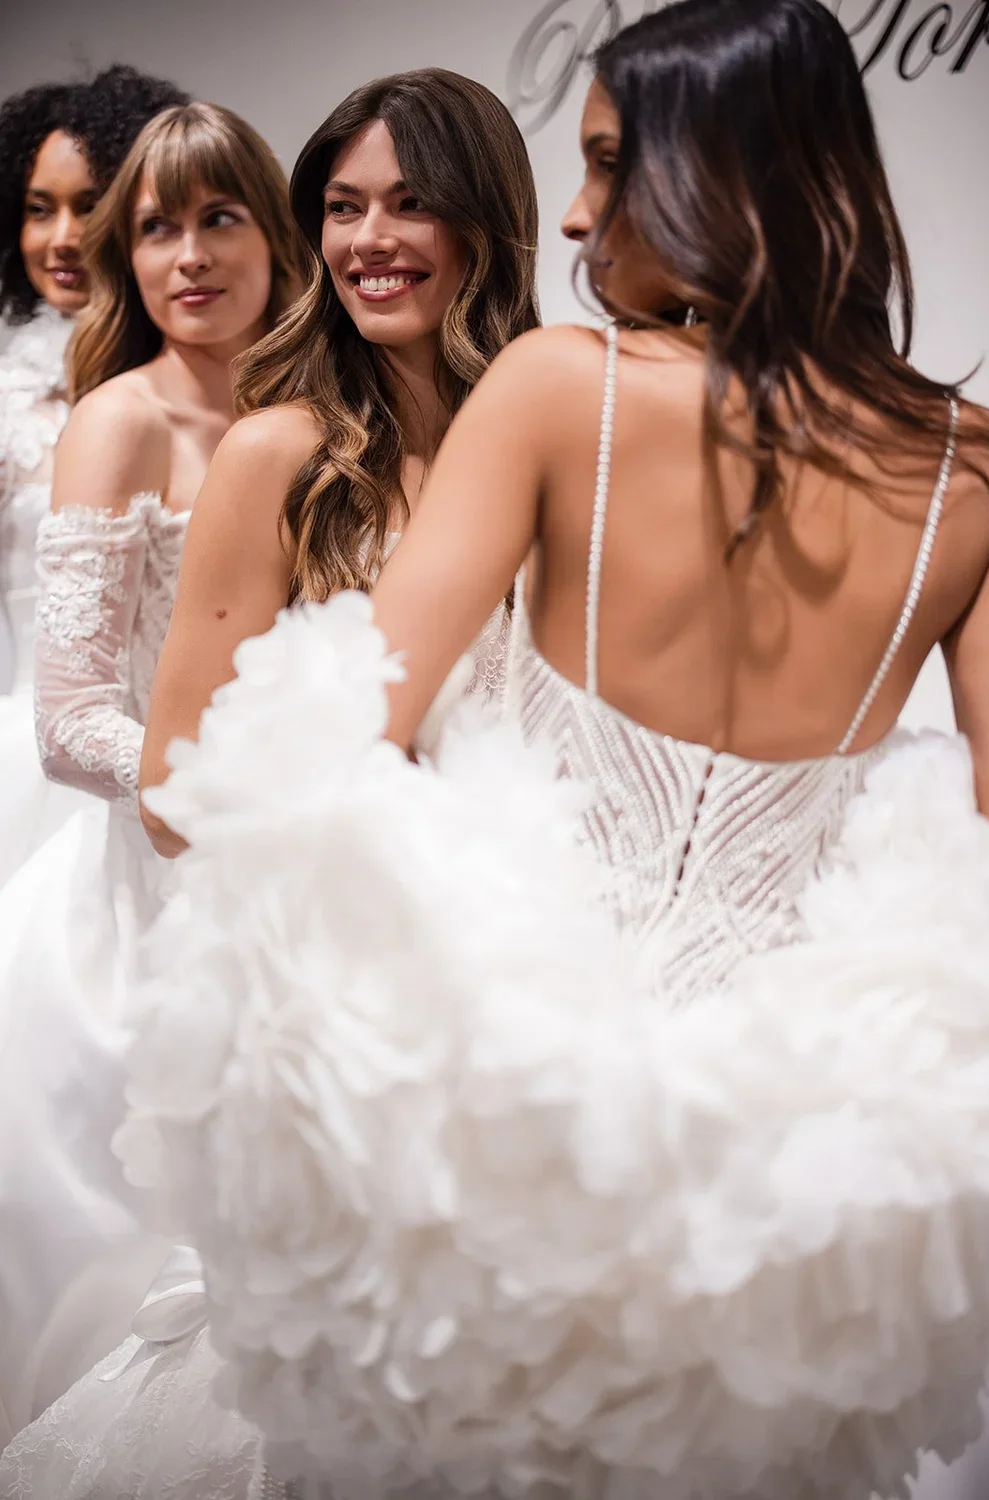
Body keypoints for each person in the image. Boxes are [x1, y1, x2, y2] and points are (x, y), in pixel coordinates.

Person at [63, 1, 989, 1497]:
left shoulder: (567, 389)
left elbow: (339, 734)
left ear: (727, 170)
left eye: (613, 165)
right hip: (792, 1162)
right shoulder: (976, 465)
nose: (579, 213)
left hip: (518, 1092)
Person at [0, 67, 539, 1495]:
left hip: (508, 949)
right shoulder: (254, 445)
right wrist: (341, 843)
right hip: (245, 907)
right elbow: (138, 748)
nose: (186, 259)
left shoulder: (539, 428)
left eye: (409, 202)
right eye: (346, 205)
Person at [0, 98, 303, 1445]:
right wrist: (229, 802)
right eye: (158, 228)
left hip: (303, 883)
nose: (188, 256)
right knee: (129, 1252)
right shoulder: (113, 423)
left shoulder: (320, 412)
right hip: (139, 890)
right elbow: (68, 723)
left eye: (219, 218)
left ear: (273, 236)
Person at [138, 66, 539, 858]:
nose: (369, 239)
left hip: (542, 927)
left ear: (486, 219)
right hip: (350, 934)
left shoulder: (556, 450)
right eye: (342, 209)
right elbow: (168, 793)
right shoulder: (273, 456)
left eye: (412, 202)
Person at [0, 65, 189, 889]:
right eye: (40, 208)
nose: (62, 237)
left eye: (90, 204)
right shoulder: (8, 400)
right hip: (30, 763)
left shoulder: (208, 385)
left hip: (183, 752)